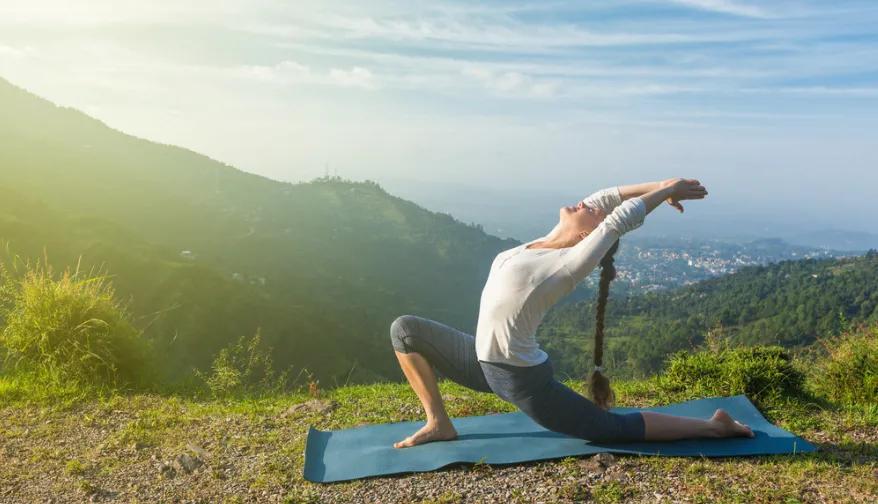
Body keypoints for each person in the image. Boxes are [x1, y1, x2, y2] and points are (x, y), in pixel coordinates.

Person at [389, 178, 754, 448]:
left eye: (590, 213)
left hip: (520, 378)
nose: (585, 204)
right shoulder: (541, 243)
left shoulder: (566, 265)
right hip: (483, 363)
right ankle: (439, 423)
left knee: (610, 429)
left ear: (587, 238)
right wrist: (660, 184)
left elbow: (618, 219)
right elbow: (606, 198)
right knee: (405, 331)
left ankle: (714, 427)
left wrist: (667, 190)